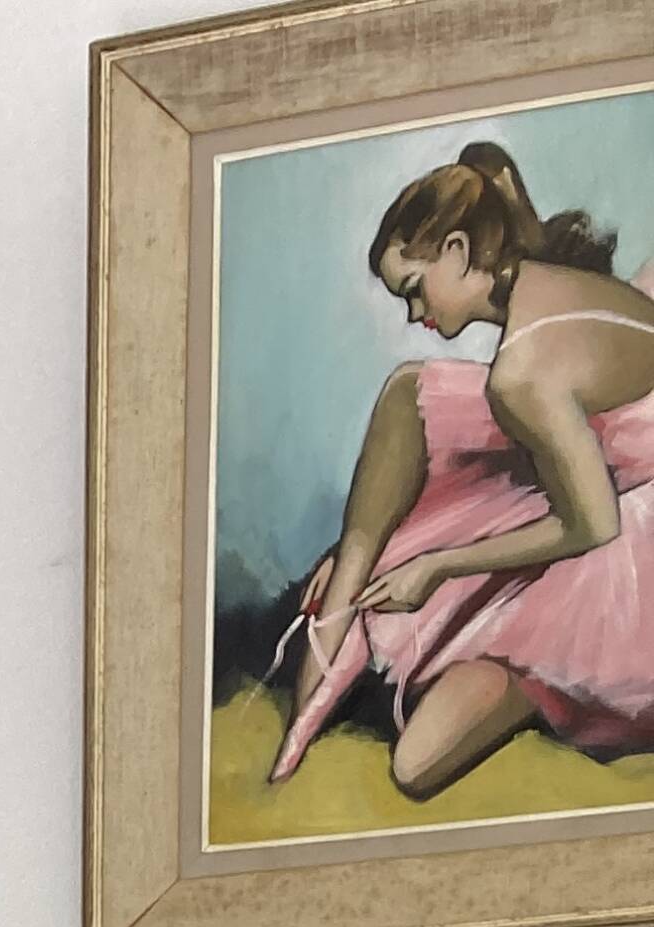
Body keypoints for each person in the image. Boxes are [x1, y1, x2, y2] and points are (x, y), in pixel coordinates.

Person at [274, 140, 654, 796]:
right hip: (607, 455)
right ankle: (327, 655)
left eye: (414, 291)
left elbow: (592, 527)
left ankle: (528, 673)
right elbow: (485, 153)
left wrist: (437, 564)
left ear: (456, 250)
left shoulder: (522, 373)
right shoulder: (531, 283)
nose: (416, 315)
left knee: (415, 769)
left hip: (625, 529)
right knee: (409, 393)